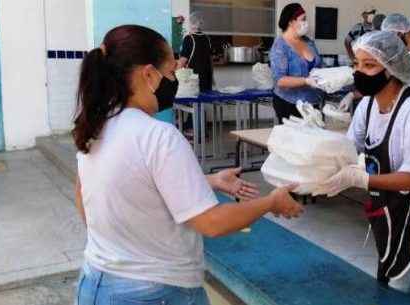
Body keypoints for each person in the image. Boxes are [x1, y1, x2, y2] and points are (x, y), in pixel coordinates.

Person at [72, 25, 304, 305]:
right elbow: (212, 223)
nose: (175, 82)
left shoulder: (96, 126)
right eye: (170, 73)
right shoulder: (158, 136)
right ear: (148, 75)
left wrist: (208, 181)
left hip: (95, 284)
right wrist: (271, 202)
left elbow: (94, 198)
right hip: (156, 293)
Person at [314, 31, 410, 305]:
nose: (359, 72)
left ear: (393, 69)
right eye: (356, 64)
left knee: (398, 289)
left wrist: (363, 180)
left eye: (369, 65)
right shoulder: (367, 106)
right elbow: (348, 149)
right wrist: (314, 161)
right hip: (388, 211)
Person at [270, 3, 324, 121]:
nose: (306, 23)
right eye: (303, 19)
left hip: (313, 102)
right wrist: (306, 81)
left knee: (316, 138)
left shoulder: (309, 42)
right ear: (291, 22)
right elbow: (280, 80)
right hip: (289, 104)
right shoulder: (280, 46)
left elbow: (319, 66)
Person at [178, 12, 214, 92]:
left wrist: (174, 74)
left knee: (194, 101)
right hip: (207, 78)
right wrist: (212, 77)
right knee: (205, 101)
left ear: (191, 23)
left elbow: (183, 60)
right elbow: (211, 60)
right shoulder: (207, 38)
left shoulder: (188, 38)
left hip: (193, 79)